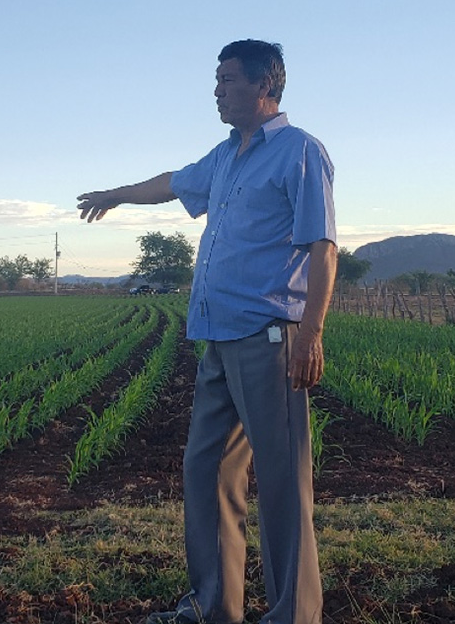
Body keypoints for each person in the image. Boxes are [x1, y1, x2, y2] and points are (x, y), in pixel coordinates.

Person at [76, 39, 336, 624]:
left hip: (271, 335)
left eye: (227, 80)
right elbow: (173, 182)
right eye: (215, 81)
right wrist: (116, 195)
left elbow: (323, 248)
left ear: (264, 86)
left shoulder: (300, 152)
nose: (216, 90)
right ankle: (213, 607)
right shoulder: (225, 156)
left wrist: (311, 333)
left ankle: (295, 615)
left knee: (282, 479)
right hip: (216, 336)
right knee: (207, 467)